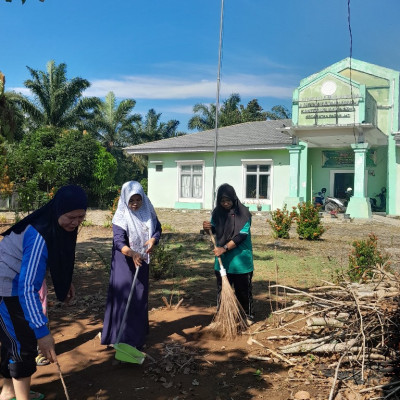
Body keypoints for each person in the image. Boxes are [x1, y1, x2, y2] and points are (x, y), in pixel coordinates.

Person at [0, 185, 87, 400]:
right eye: (71, 217)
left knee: (14, 341)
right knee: (23, 344)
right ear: (58, 210)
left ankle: (9, 391)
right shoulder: (39, 234)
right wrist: (42, 332)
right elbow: (27, 288)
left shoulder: (54, 225)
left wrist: (65, 282)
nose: (76, 223)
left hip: (15, 282)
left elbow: (59, 256)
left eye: (81, 218)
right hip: (7, 287)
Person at [101, 181, 162, 356]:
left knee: (139, 297)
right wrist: (132, 253)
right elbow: (119, 242)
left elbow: (158, 229)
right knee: (124, 297)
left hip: (141, 261)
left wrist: (152, 240)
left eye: (138, 199)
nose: (135, 203)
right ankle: (119, 338)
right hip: (124, 262)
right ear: (125, 200)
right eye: (131, 200)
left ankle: (136, 338)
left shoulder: (147, 212)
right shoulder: (121, 217)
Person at [203, 183, 254, 324]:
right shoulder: (217, 213)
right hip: (223, 261)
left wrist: (224, 248)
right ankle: (222, 315)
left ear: (234, 198)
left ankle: (247, 315)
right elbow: (215, 231)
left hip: (240, 260)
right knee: (222, 290)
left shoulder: (243, 214)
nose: (225, 204)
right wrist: (207, 228)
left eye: (228, 201)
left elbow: (240, 236)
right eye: (222, 201)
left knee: (243, 291)